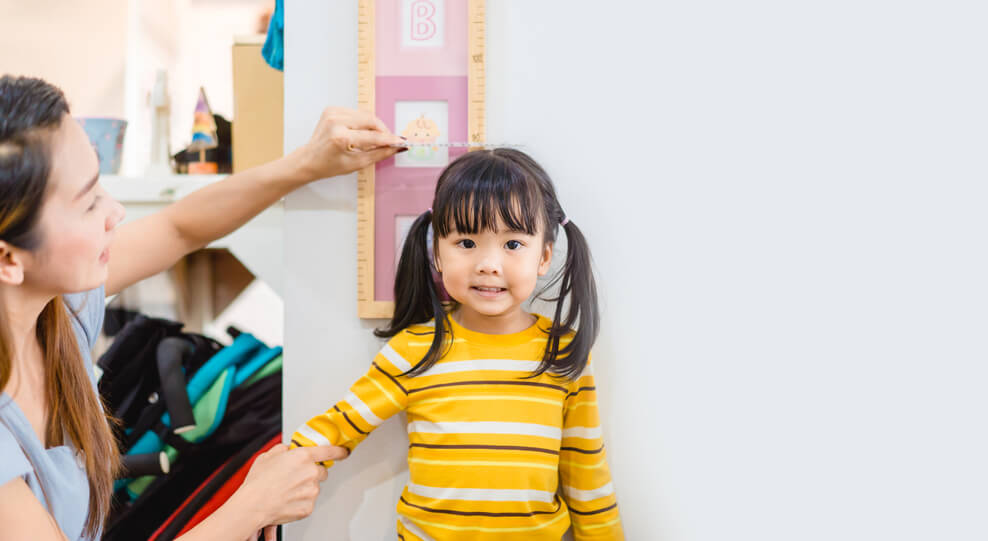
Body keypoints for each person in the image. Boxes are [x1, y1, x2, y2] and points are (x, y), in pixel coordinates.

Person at [0, 75, 404, 541]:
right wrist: (252, 506)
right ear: (9, 259)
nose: (115, 212)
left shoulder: (54, 311)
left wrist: (307, 164)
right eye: (88, 203)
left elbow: (179, 228)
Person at [290, 149, 625, 540]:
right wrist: (277, 475)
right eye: (466, 242)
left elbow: (587, 474)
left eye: (513, 244)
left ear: (545, 255)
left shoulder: (564, 354)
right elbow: (339, 425)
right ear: (437, 253)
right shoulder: (414, 350)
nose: (488, 263)